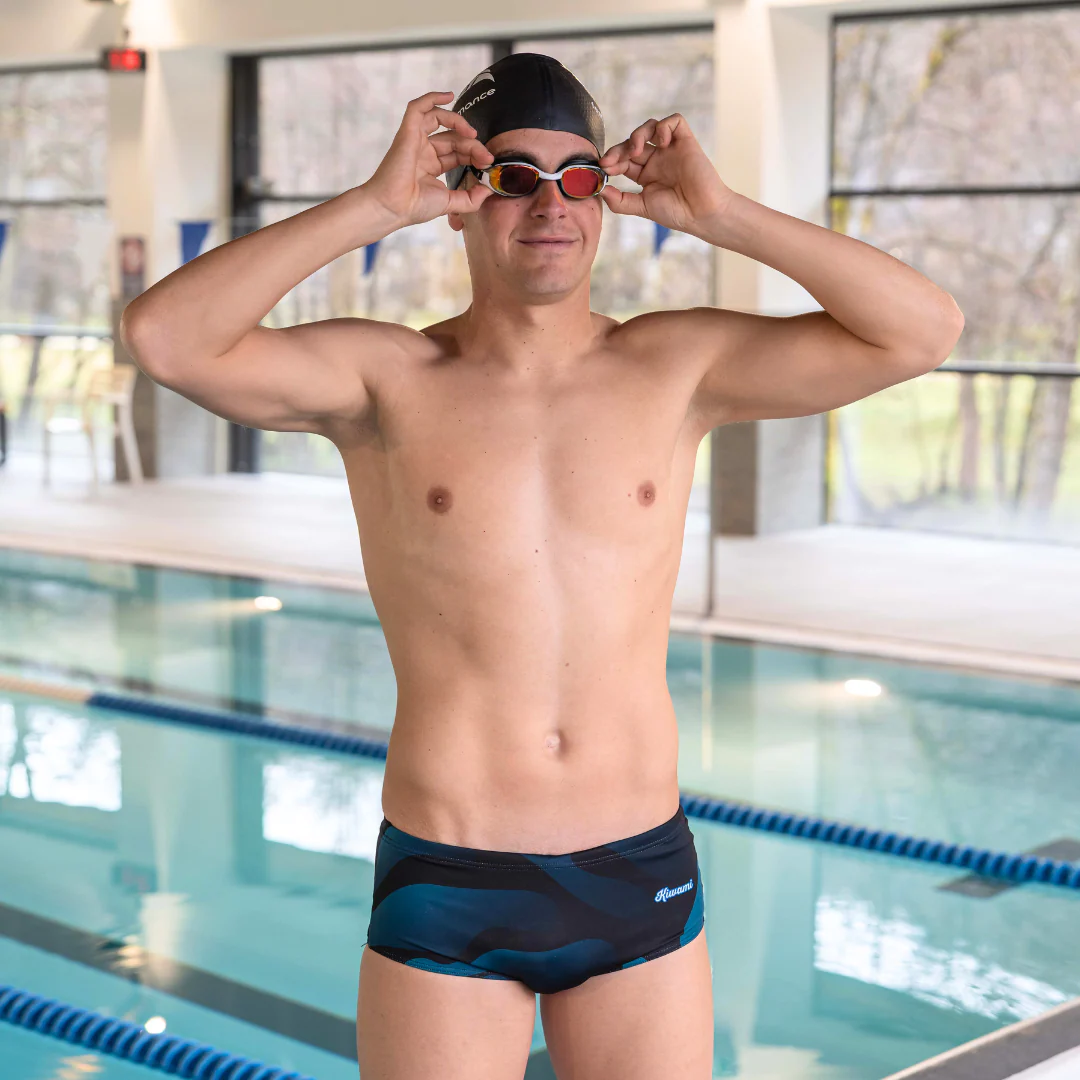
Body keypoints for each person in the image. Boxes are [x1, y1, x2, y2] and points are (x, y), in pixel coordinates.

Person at [121, 52, 963, 1080]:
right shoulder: (385, 379)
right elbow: (166, 338)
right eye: (514, 177)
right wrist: (372, 207)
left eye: (578, 178)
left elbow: (924, 331)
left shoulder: (675, 366)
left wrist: (725, 215)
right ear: (462, 201)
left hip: (636, 866)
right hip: (451, 870)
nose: (550, 205)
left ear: (605, 200)